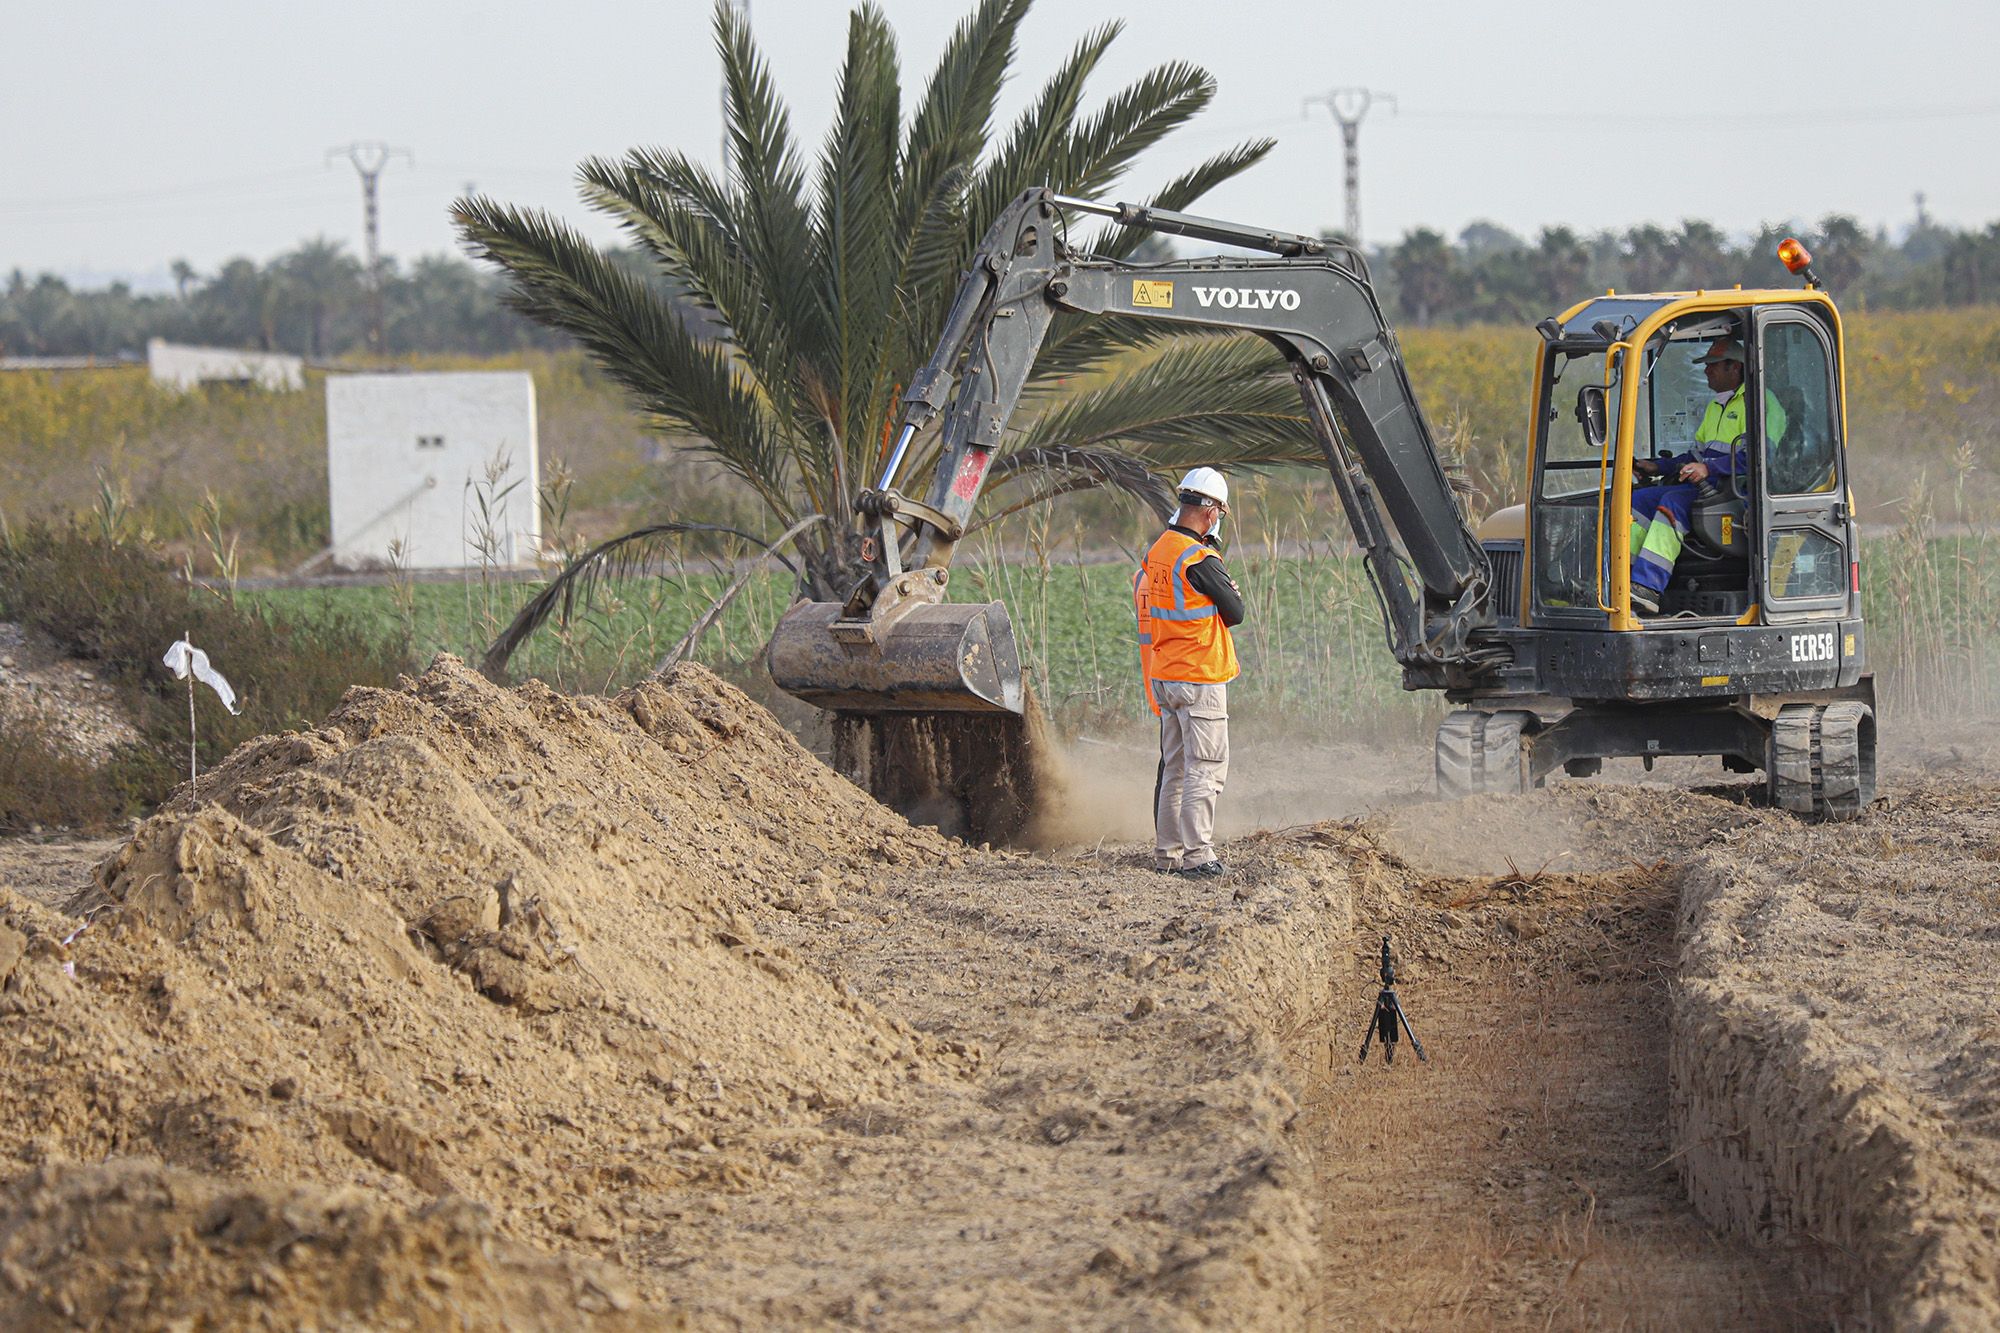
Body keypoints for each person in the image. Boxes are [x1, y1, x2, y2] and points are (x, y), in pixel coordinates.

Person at [1134, 467, 1244, 877]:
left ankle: (1168, 855)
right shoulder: (1200, 558)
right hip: (1199, 675)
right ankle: (1199, 855)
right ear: (1212, 511)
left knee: (1175, 768)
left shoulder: (1159, 549)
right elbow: (1235, 613)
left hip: (1165, 674)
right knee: (1206, 766)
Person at [1627, 335, 1787, 614]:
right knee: (1636, 502)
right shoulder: (1716, 407)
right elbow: (1697, 456)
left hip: (1741, 492)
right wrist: (1657, 466)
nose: (1706, 370)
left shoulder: (1762, 403)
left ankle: (1648, 587)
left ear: (1734, 367)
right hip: (1710, 484)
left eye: (1713, 364)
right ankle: (1622, 579)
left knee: (1673, 502)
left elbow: (1763, 456)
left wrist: (1710, 468)